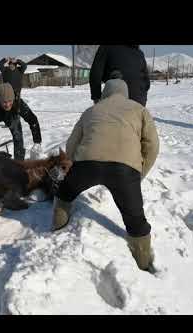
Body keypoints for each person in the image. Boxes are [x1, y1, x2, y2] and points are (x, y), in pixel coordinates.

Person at [52, 79, 159, 271]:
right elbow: (152, 147)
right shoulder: (139, 110)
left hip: (86, 164)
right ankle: (143, 263)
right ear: (124, 93)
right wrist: (138, 174)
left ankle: (56, 228)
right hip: (125, 170)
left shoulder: (92, 110)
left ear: (105, 93)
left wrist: (75, 165)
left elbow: (71, 145)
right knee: (136, 220)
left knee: (64, 194)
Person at [0, 83, 42, 161]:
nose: (8, 105)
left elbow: (32, 119)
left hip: (11, 115)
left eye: (10, 101)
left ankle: (19, 163)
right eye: (4, 102)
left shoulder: (17, 102)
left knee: (18, 137)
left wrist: (37, 141)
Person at [0, 57, 41, 158]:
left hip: (18, 100)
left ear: (16, 65)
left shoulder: (20, 71)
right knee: (18, 133)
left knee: (33, 119)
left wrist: (18, 60)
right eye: (10, 64)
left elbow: (24, 65)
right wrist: (5, 59)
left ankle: (37, 143)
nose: (12, 65)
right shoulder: (5, 71)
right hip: (8, 103)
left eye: (13, 64)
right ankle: (19, 161)